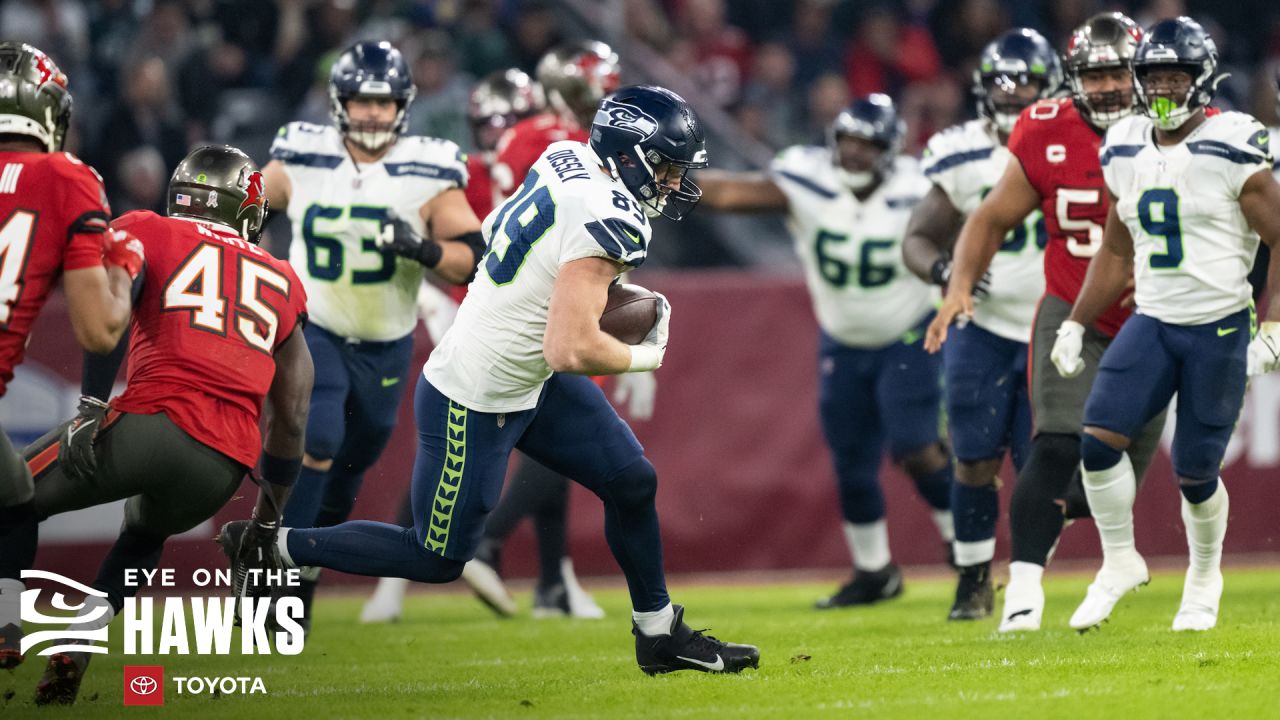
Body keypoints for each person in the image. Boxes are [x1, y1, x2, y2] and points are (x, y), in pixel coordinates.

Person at [225, 85, 760, 675]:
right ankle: (275, 544)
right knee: (436, 556)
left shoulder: (570, 156)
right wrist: (647, 356)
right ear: (628, 155)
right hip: (478, 394)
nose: (669, 184)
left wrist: (606, 299)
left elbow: (535, 273)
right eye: (662, 168)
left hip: (523, 367)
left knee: (631, 480)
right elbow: (569, 347)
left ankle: (658, 635)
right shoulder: (610, 216)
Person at [11, 146, 311, 704]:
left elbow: (109, 313)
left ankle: (4, 627)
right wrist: (267, 523)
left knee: (12, 501)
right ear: (244, 207)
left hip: (152, 420)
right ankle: (76, 646)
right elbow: (292, 413)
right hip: (220, 469)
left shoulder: (148, 229)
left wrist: (93, 404)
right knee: (144, 534)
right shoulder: (283, 278)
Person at [924, 13, 1167, 632]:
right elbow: (989, 217)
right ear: (1073, 80)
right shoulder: (1045, 128)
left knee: (1104, 479)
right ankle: (1022, 594)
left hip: (1155, 313)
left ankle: (1110, 559)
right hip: (1069, 305)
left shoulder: (1172, 132)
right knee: (1055, 442)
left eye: (1118, 72)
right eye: (1096, 74)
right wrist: (956, 288)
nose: (1110, 86)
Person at [1052, 17, 1280, 632]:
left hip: (1218, 325)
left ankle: (1205, 575)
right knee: (1097, 443)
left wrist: (1273, 322)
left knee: (1196, 471)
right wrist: (1076, 322)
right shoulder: (1124, 142)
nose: (1164, 89)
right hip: (1153, 318)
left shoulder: (1234, 143)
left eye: (1176, 77)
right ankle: (1120, 560)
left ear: (1203, 78)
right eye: (1153, 77)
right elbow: (1115, 247)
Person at [361, 67, 607, 622]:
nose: (497, 132)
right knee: (478, 440)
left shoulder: (506, 160)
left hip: (501, 306)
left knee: (544, 440)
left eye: (504, 121)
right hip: (499, 314)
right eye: (487, 123)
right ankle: (484, 551)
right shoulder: (536, 153)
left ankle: (552, 580)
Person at [696, 94, 955, 608]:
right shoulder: (806, 176)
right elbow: (730, 193)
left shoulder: (920, 186)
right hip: (843, 337)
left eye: (868, 144)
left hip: (908, 330)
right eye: (848, 141)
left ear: (889, 149)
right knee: (851, 460)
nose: (855, 153)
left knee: (915, 447)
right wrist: (659, 175)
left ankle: (966, 546)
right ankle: (874, 571)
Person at [262, 41, 485, 632]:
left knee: (351, 466)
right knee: (320, 434)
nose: (371, 114)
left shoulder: (429, 166)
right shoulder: (301, 153)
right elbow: (246, 206)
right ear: (339, 102)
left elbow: (470, 256)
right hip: (316, 326)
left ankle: (301, 561)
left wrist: (422, 249)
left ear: (402, 106)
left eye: (383, 104)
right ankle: (274, 580)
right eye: (361, 101)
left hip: (387, 340)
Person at [457, 43, 646, 621]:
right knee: (557, 429)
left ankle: (550, 584)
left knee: (559, 431)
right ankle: (486, 544)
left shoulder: (554, 140)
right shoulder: (550, 142)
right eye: (594, 89)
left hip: (535, 287)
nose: (603, 100)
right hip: (534, 297)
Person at [901, 28, 1057, 621]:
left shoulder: (1074, 135)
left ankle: (1027, 581)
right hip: (981, 325)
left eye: (1026, 82)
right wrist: (948, 272)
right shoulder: (961, 150)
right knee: (973, 459)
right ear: (982, 88)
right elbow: (916, 238)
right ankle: (973, 578)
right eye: (1001, 82)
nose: (1013, 93)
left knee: (1046, 465)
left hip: (1055, 323)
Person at [0, 41, 140, 672]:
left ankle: (4, 627)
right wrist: (123, 266)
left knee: (13, 492)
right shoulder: (64, 177)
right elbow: (99, 333)